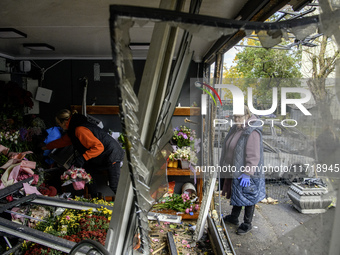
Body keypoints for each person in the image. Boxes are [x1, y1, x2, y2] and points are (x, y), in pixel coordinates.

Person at [42, 109, 125, 198]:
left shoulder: (79, 130)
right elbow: (62, 141)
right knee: (87, 169)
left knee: (114, 185)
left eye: (59, 124)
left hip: (111, 154)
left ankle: (130, 207)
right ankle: (95, 196)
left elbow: (99, 147)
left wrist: (83, 157)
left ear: (64, 122)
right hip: (106, 154)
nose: (60, 126)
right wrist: (45, 147)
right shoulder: (74, 130)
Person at [219, 105, 265, 235]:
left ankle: (247, 224)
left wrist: (247, 173)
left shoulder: (252, 131)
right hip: (236, 168)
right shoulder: (236, 128)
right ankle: (234, 218)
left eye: (239, 116)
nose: (236, 119)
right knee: (238, 193)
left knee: (248, 196)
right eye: (234, 116)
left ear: (247, 116)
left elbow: (254, 155)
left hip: (247, 171)